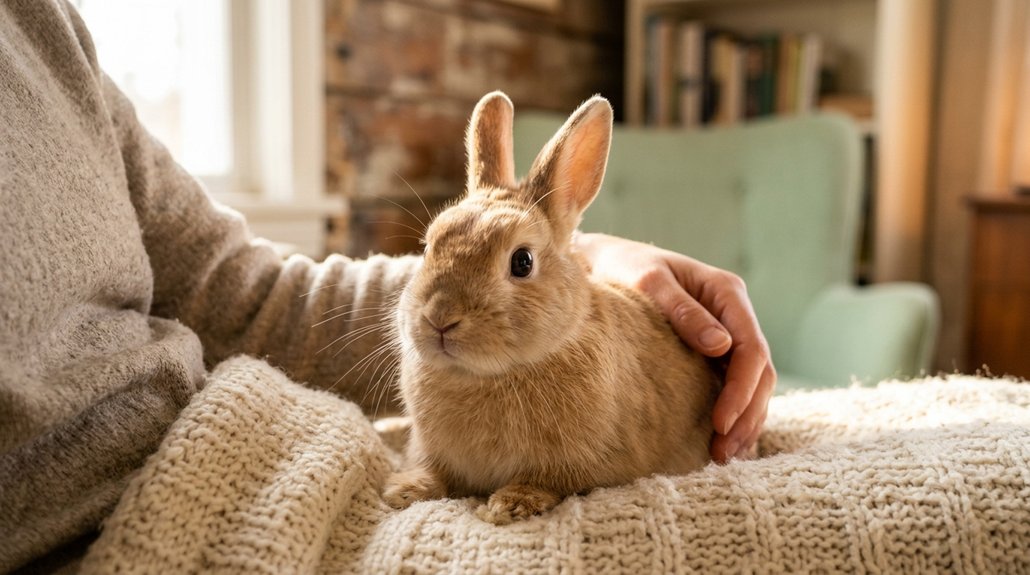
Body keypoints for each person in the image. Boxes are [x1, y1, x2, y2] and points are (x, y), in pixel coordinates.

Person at [0, 0, 775, 571]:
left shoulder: (44, 29)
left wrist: (587, 251)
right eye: (432, 263)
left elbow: (230, 291)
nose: (433, 311)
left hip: (260, 445)